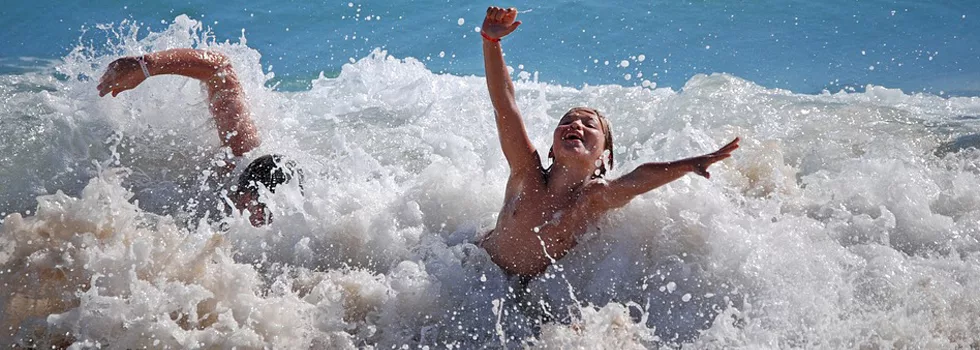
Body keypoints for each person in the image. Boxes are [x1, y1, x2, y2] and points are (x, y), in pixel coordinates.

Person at [477, 7, 741, 277]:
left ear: (605, 157)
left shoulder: (589, 200)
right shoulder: (527, 171)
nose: (576, 124)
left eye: (589, 124)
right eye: (567, 121)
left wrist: (688, 165)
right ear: (551, 149)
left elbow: (636, 181)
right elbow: (506, 105)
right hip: (476, 268)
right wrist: (491, 41)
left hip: (522, 292)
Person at [97, 48, 300, 226]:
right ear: (247, 196)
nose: (262, 223)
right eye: (262, 213)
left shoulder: (302, 224)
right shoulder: (242, 155)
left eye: (268, 217)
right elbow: (220, 68)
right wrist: (146, 66)